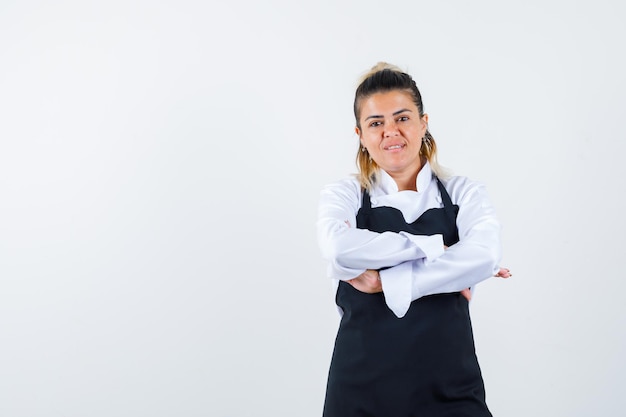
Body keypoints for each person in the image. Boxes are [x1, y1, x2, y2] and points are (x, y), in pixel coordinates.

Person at [316, 62, 511, 417]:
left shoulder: (464, 193)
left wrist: (387, 280)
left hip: (450, 387)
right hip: (359, 390)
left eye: (402, 118)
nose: (391, 131)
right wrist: (436, 248)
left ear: (423, 122)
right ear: (360, 134)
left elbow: (483, 256)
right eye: (376, 123)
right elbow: (337, 247)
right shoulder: (344, 195)